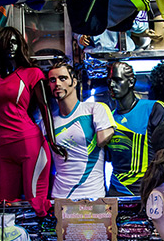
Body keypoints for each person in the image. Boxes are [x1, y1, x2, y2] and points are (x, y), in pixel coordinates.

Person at [0, 26, 65, 217]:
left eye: (15, 42)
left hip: (29, 144)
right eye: (7, 42)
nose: (11, 46)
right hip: (3, 149)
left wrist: (52, 142)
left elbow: (45, 106)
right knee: (4, 207)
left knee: (36, 204)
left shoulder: (31, 73)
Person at [48, 62, 114, 199]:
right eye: (52, 80)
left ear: (74, 82)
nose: (57, 84)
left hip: (92, 195)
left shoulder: (94, 109)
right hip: (60, 196)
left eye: (63, 78)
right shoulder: (48, 121)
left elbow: (103, 140)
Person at [106, 61, 164, 196]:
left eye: (117, 80)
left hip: (148, 190)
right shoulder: (108, 118)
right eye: (110, 81)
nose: (112, 85)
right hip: (116, 191)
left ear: (131, 82)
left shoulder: (153, 108)